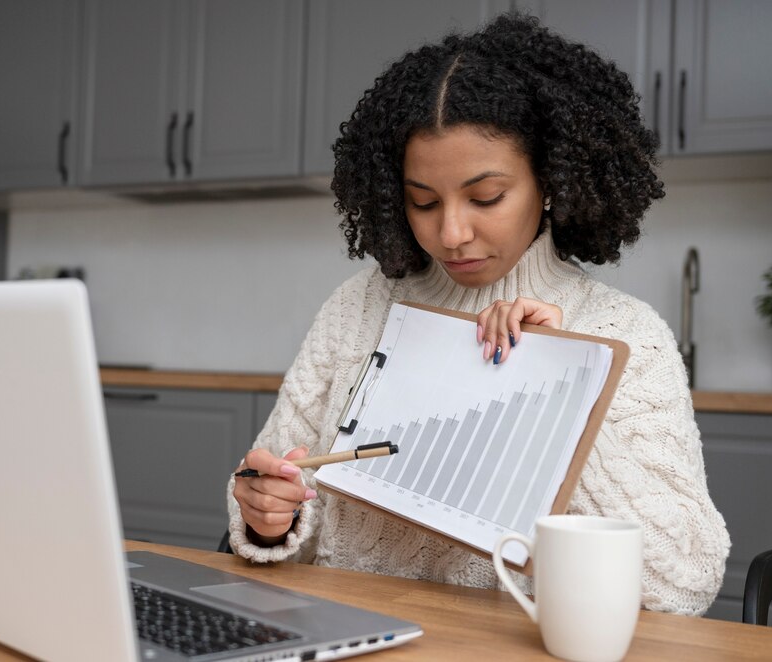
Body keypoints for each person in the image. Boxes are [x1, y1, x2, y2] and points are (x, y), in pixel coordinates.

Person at [226, 12, 730, 615]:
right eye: (423, 202)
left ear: (551, 182)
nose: (452, 232)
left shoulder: (628, 335)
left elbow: (682, 585)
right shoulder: (358, 308)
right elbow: (271, 490)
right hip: (353, 634)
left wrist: (567, 385)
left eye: (486, 197)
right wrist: (269, 516)